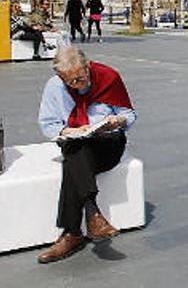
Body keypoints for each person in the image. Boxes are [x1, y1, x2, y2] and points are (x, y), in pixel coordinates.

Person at [36, 47, 136, 264]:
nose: (77, 85)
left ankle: (72, 234)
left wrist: (118, 121)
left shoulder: (109, 77)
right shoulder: (54, 87)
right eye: (70, 82)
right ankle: (93, 218)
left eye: (81, 78)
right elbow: (48, 124)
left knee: (72, 157)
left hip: (108, 143)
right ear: (60, 76)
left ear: (87, 67)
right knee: (75, 147)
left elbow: (129, 114)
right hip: (78, 144)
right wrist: (65, 131)